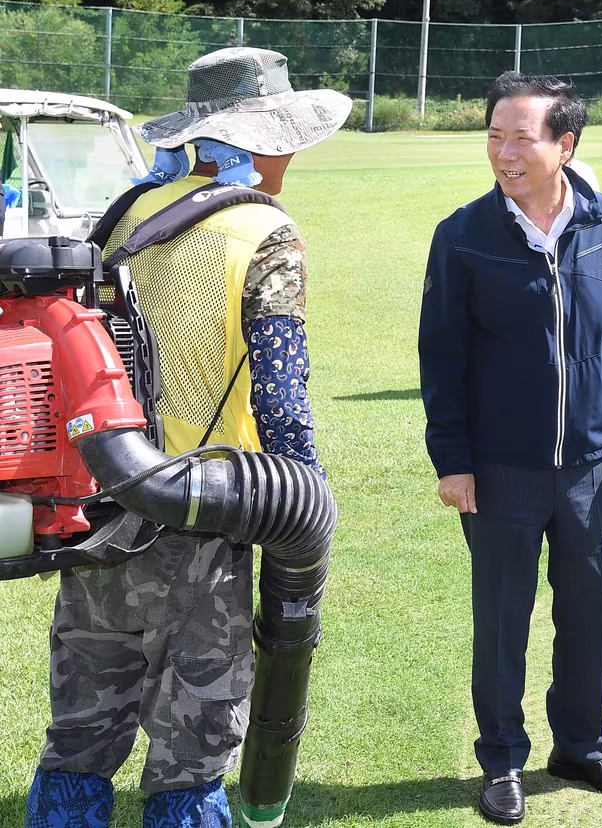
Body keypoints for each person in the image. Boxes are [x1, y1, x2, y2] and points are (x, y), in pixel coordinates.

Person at [25, 47, 348, 828]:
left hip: (101, 501)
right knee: (194, 744)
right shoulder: (263, 229)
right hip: (209, 512)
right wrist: (300, 504)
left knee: (82, 729)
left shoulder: (125, 210)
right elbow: (281, 392)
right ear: (269, 140)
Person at [418, 71, 602, 826]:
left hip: (591, 468)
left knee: (594, 609)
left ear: (566, 144)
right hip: (498, 471)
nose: (503, 151)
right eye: (494, 135)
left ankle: (580, 747)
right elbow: (442, 359)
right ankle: (501, 761)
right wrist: (453, 461)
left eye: (521, 137)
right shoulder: (461, 236)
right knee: (503, 620)